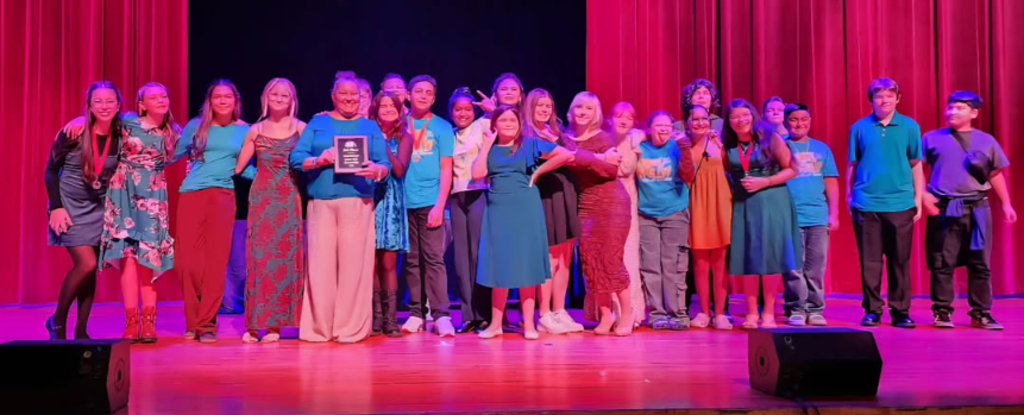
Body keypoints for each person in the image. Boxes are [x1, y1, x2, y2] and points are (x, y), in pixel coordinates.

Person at [291, 74, 390, 344]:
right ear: (333, 96)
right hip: (321, 201)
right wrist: (318, 159)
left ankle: (350, 328)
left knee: (354, 267)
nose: (349, 98)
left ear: (361, 98)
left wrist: (377, 170)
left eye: (354, 95)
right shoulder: (318, 122)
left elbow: (385, 165)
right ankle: (319, 328)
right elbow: (297, 157)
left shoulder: (369, 127)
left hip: (357, 201)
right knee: (320, 267)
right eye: (343, 93)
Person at [473, 105, 573, 339]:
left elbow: (566, 154)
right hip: (498, 208)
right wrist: (487, 144)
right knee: (500, 265)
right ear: (495, 123)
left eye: (512, 120)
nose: (508, 124)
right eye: (503, 120)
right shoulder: (491, 147)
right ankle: (496, 324)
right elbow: (478, 173)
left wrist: (538, 172)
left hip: (525, 206)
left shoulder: (529, 144)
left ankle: (529, 324)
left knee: (526, 264)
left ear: (519, 124)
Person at [921, 90, 1016, 330]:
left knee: (980, 262)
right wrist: (923, 196)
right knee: (943, 261)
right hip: (944, 207)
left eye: (960, 108)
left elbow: (995, 175)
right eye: (950, 107)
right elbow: (916, 170)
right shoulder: (931, 138)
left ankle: (981, 313)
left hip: (978, 207)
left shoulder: (987, 141)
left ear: (974, 113)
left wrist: (1006, 204)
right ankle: (942, 311)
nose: (952, 111)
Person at [44, 81, 124, 340]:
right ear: (89, 105)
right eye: (98, 101)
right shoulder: (74, 132)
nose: (104, 106)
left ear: (118, 105)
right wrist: (56, 207)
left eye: (110, 100)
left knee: (91, 271)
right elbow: (51, 171)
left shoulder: (121, 134)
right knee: (86, 263)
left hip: (100, 209)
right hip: (69, 207)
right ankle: (57, 321)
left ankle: (81, 330)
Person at [176, 79, 255, 343]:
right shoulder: (195, 127)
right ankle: (192, 320)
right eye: (217, 97)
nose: (222, 101)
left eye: (227, 97)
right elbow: (170, 153)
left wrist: (270, 178)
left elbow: (246, 167)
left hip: (223, 195)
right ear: (210, 101)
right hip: (191, 195)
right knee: (188, 264)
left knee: (216, 262)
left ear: (236, 101)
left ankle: (207, 323)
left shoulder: (246, 131)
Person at [848, 77, 925, 329]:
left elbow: (916, 164)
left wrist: (918, 198)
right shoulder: (860, 127)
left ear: (898, 98)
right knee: (869, 261)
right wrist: (850, 196)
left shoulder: (910, 127)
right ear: (871, 99)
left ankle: (901, 311)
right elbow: (853, 164)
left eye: (889, 95)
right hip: (866, 204)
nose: (885, 100)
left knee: (899, 260)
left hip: (900, 203)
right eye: (879, 96)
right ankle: (872, 310)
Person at [234, 78, 305, 343]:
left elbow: (310, 159)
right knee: (260, 260)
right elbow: (240, 167)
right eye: (274, 94)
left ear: (292, 100)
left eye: (284, 95)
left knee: (284, 261)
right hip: (262, 200)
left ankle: (275, 326)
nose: (278, 98)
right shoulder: (256, 129)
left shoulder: (301, 128)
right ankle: (255, 324)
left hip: (288, 199)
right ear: (266, 97)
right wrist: (265, 176)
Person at [722, 99, 800, 329]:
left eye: (745, 114)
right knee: (748, 257)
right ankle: (752, 312)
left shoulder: (770, 138)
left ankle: (768, 313)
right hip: (744, 203)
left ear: (753, 116)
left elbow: (793, 169)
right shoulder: (729, 144)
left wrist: (765, 181)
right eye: (734, 116)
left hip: (772, 201)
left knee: (771, 257)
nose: (740, 120)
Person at [399, 75, 456, 337]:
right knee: (411, 260)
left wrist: (439, 205)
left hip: (431, 201)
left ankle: (441, 314)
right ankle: (415, 313)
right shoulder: (399, 124)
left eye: (428, 92)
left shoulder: (442, 127)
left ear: (434, 98)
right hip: (404, 201)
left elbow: (447, 169)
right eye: (418, 91)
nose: (423, 95)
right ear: (408, 95)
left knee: (434, 259)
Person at [636, 111, 695, 330]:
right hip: (645, 213)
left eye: (667, 125)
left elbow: (689, 176)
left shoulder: (677, 146)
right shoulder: (640, 147)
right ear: (649, 128)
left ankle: (677, 312)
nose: (663, 129)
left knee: (674, 265)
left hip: (674, 212)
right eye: (658, 125)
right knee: (650, 265)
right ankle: (656, 313)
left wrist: (686, 150)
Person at [781, 103, 839, 326]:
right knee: (793, 266)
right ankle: (796, 307)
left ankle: (815, 308)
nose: (799, 123)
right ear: (786, 122)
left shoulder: (821, 149)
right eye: (794, 119)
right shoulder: (780, 146)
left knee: (815, 266)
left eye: (804, 119)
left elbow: (831, 181)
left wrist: (834, 213)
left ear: (810, 121)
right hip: (789, 215)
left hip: (817, 215)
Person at [367, 91, 413, 337]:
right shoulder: (364, 134)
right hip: (368, 201)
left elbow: (398, 170)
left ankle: (391, 319)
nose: (386, 109)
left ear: (399, 110)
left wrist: (381, 142)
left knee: (388, 263)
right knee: (371, 263)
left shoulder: (404, 137)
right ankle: (375, 318)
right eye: (382, 105)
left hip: (391, 203)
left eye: (391, 106)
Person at [448, 87, 491, 333]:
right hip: (457, 197)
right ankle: (468, 315)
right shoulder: (450, 134)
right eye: (458, 109)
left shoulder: (482, 126)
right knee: (460, 258)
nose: (463, 113)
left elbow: (507, 122)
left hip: (478, 193)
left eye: (467, 109)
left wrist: (491, 108)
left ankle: (483, 312)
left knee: (478, 254)